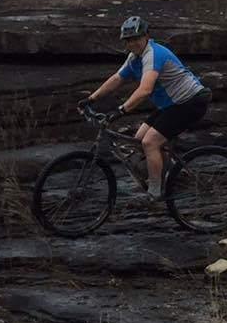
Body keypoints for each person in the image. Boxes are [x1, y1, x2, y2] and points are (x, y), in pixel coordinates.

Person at [86, 15, 211, 199]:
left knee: (149, 142)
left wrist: (121, 110)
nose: (133, 43)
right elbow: (117, 79)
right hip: (172, 105)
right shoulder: (134, 58)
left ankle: (155, 192)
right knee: (138, 141)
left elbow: (145, 90)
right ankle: (166, 176)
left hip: (191, 102)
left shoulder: (153, 54)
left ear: (146, 36)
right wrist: (91, 99)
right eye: (129, 40)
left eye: (137, 38)